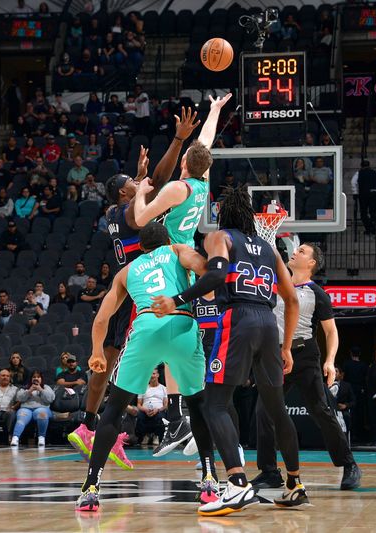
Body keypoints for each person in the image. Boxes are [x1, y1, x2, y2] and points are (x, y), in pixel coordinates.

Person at [148, 186, 302, 515]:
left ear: (221, 215)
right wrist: (286, 345)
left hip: (238, 320)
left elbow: (216, 274)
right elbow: (291, 299)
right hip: (268, 324)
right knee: (278, 409)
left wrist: (175, 300)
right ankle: (294, 483)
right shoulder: (269, 247)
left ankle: (236, 484)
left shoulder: (220, 238)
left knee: (215, 404)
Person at [75, 223, 215, 512]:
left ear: (141, 248)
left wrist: (97, 351)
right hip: (182, 322)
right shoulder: (178, 249)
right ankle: (210, 480)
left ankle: (91, 487)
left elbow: (102, 318)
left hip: (147, 328)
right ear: (167, 240)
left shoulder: (126, 271)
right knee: (199, 406)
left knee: (114, 408)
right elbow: (204, 269)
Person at [131, 96, 230, 455]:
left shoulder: (178, 187)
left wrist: (141, 193)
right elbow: (205, 142)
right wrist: (215, 110)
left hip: (169, 258)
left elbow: (142, 221)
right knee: (178, 335)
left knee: (161, 331)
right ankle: (179, 417)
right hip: (188, 254)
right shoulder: (203, 183)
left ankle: (179, 417)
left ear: (185, 162)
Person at [253, 244, 361, 491]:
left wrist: (330, 360)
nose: (295, 252)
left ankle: (349, 464)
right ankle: (269, 472)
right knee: (262, 411)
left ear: (312, 263)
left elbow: (331, 331)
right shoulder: (275, 284)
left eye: (302, 251)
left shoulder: (317, 293)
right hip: (275, 355)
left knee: (321, 411)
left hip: (304, 355)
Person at [11, 370, 54, 447]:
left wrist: (40, 390)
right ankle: (15, 437)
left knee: (42, 413)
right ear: (31, 379)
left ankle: (41, 437)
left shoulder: (46, 387)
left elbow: (50, 399)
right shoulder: (25, 387)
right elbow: (19, 398)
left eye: (38, 377)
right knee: (21, 417)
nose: (36, 378)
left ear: (41, 379)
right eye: (34, 377)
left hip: (42, 408)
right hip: (26, 408)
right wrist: (29, 391)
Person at [350, 159, 376, 235]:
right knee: (373, 211)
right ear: (369, 165)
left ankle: (368, 228)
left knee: (363, 213)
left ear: (361, 166)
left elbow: (353, 182)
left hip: (363, 195)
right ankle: (373, 226)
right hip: (373, 193)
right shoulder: (375, 172)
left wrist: (355, 193)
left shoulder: (358, 173)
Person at [136, 368, 168, 443]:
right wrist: (145, 410)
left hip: (159, 410)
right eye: (150, 374)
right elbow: (138, 404)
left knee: (160, 417)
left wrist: (158, 409)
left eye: (153, 373)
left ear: (158, 375)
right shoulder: (143, 388)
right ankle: (146, 435)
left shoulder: (163, 388)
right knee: (140, 415)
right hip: (145, 410)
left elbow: (166, 405)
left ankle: (156, 436)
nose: (151, 376)